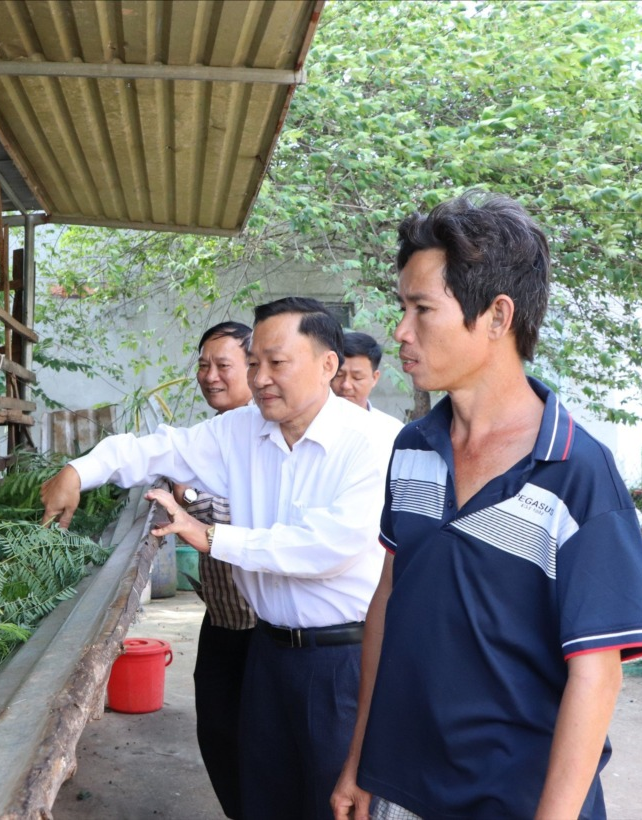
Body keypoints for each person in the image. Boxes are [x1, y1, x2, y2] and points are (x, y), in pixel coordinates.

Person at [330, 192, 642, 820]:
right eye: (402, 307)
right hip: (400, 790)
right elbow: (387, 604)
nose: (400, 330)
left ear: (496, 315)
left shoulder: (575, 471)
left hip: (517, 801)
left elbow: (597, 676)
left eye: (422, 308)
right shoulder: (413, 448)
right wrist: (359, 761)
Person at [42, 297, 390, 820]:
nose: (262, 377)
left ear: (327, 364)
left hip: (341, 661)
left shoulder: (374, 441)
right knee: (261, 798)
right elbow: (158, 449)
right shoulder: (241, 431)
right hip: (268, 653)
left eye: (278, 362)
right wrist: (78, 470)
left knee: (335, 803)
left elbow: (327, 548)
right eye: (255, 364)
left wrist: (215, 539)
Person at [177, 321, 256, 819]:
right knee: (216, 732)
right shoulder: (211, 437)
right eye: (204, 365)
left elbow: (251, 518)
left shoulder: (265, 433)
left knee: (253, 744)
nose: (210, 376)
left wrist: (186, 499)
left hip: (262, 629)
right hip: (221, 620)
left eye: (223, 365)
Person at [332, 331, 404, 444]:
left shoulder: (392, 432)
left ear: (374, 378)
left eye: (357, 377)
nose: (346, 385)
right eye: (339, 375)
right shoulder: (306, 427)